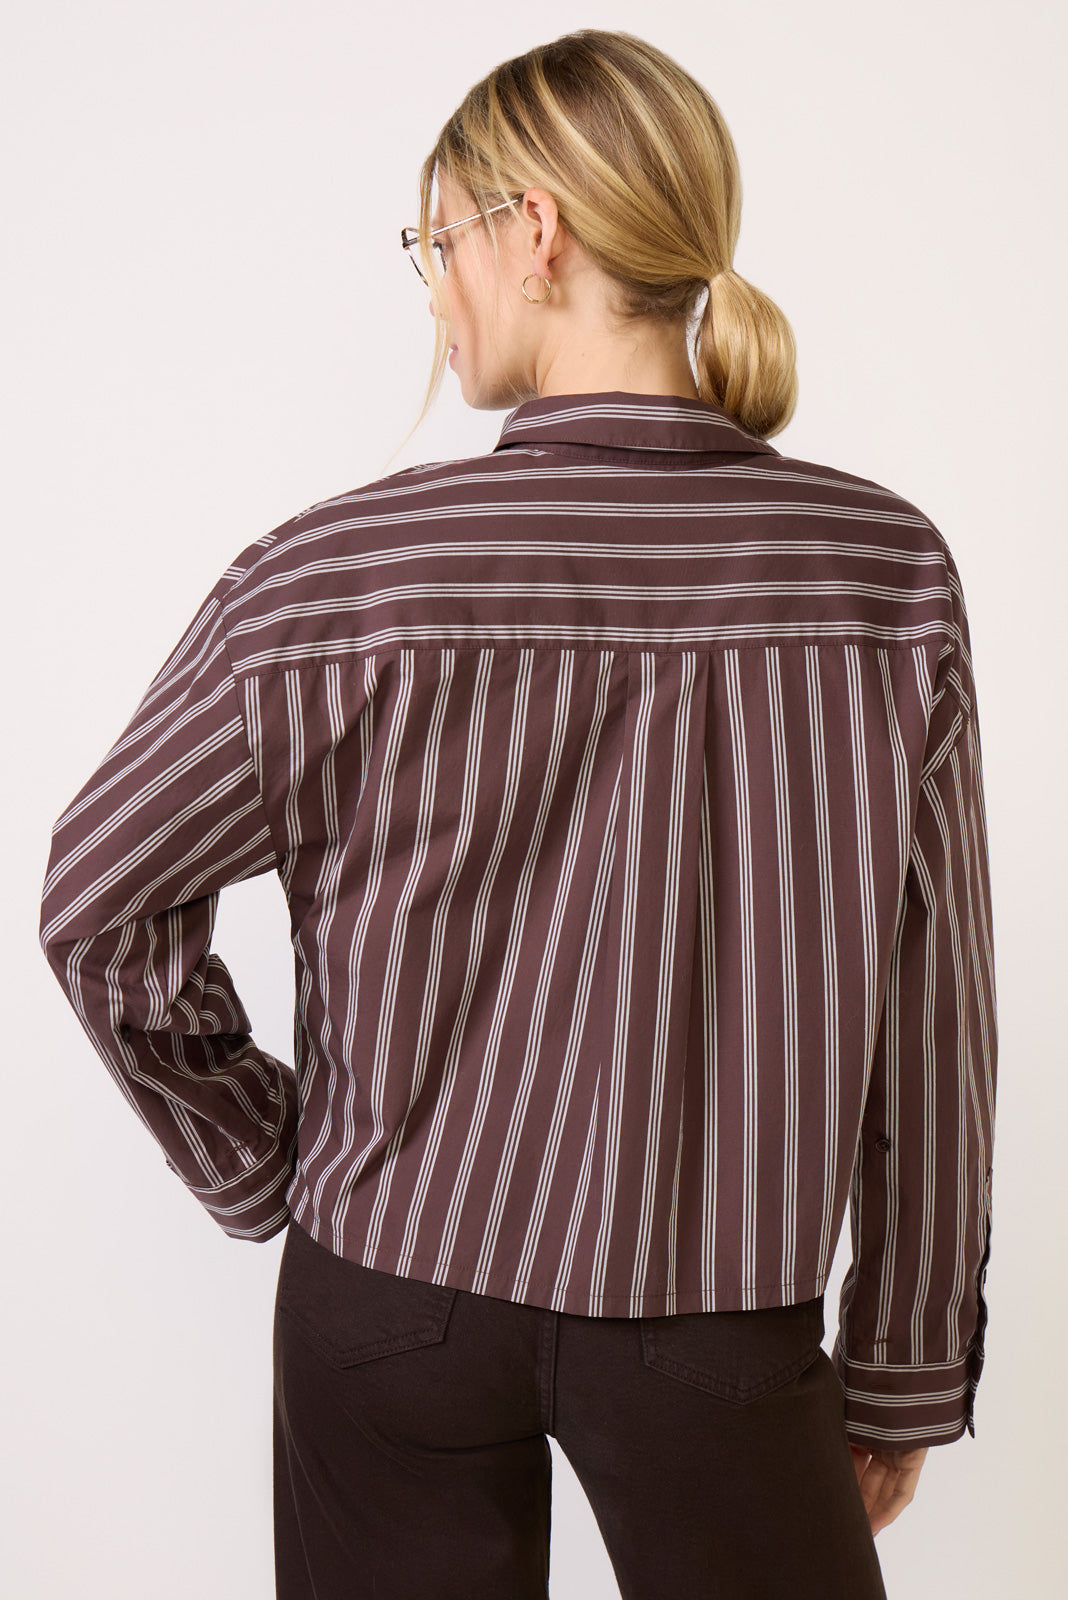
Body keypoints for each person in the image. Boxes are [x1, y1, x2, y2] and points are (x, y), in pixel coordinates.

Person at [39, 27, 997, 1600]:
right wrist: (903, 1365)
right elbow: (934, 1011)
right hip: (720, 1320)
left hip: (386, 1295)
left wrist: (264, 1158)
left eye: (438, 243)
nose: (434, 290)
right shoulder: (881, 575)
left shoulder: (333, 577)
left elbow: (97, 900)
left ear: (533, 232)